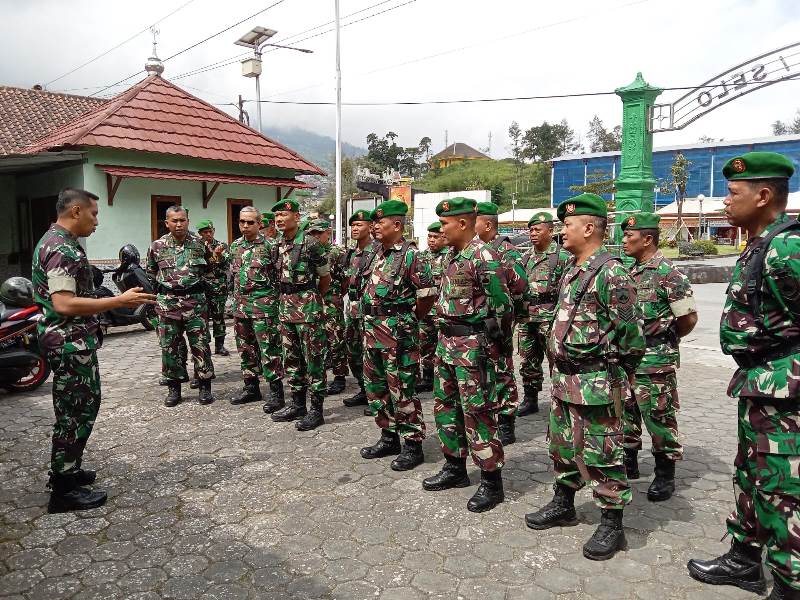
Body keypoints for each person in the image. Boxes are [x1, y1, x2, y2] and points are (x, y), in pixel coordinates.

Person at [687, 152, 800, 599]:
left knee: (783, 489)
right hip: (760, 385)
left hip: (787, 393)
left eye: (733, 193)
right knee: (753, 476)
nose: (725, 202)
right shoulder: (760, 243)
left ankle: (790, 585)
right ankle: (745, 559)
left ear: (764, 195)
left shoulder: (787, 247)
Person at [524, 193, 644, 561]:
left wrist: (612, 373)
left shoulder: (611, 272)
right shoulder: (575, 269)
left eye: (567, 225)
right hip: (565, 380)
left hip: (596, 382)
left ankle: (612, 524)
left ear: (589, 228)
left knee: (603, 452)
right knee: (562, 446)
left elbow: (632, 336)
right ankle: (564, 503)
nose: (562, 232)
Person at [31, 188, 155, 512]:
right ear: (75, 211)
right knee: (75, 411)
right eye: (94, 214)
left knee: (81, 406)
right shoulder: (60, 248)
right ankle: (63, 489)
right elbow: (64, 302)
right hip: (68, 342)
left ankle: (69, 469)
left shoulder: (61, 242)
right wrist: (119, 300)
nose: (97, 221)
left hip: (73, 341)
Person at [422, 197, 512, 512]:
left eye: (445, 223)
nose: (441, 228)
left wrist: (496, 345)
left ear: (462, 223)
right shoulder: (451, 256)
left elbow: (502, 306)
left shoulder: (483, 255)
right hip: (446, 346)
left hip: (473, 348)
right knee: (446, 409)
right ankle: (454, 468)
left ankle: (491, 482)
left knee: (479, 413)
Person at [621, 212, 697, 501]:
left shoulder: (669, 273)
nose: (625, 240)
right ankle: (629, 462)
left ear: (648, 238)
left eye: (630, 236)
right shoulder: (629, 271)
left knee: (658, 416)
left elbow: (688, 319)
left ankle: (665, 474)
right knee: (626, 413)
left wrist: (662, 338)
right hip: (628, 358)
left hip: (655, 360)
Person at [360, 199, 436, 471]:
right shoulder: (376, 253)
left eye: (380, 222)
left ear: (397, 224)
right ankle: (388, 436)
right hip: (371, 332)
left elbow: (426, 295)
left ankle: (413, 444)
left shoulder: (411, 255)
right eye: (375, 222)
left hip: (398, 335)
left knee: (402, 389)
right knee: (377, 389)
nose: (375, 226)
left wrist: (410, 318)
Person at [147, 206, 219, 407]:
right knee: (170, 348)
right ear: (167, 223)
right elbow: (151, 272)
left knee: (201, 345)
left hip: (195, 303)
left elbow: (210, 270)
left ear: (188, 221)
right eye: (174, 221)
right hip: (168, 304)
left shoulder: (199, 244)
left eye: (182, 220)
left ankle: (204, 386)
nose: (179, 224)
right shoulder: (157, 246)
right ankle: (174, 388)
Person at [270, 199, 331, 431]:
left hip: (307, 310)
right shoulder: (276, 244)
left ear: (296, 217)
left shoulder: (311, 244)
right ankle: (297, 405)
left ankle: (317, 410)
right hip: (285, 309)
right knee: (292, 359)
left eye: (284, 216)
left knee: (313, 359)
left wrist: (314, 300)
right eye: (276, 217)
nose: (279, 220)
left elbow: (324, 277)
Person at [475, 201, 529, 445]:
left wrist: (506, 322)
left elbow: (519, 287)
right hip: (479, 324)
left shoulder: (505, 251)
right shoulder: (474, 251)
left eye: (474, 220)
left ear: (487, 224)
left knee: (502, 370)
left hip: (498, 322)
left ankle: (507, 421)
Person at [228, 206, 284, 409]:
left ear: (260, 224)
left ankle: (277, 393)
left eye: (250, 222)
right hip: (241, 308)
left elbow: (280, 278)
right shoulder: (235, 246)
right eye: (242, 221)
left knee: (269, 351)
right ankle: (251, 388)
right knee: (245, 350)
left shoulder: (271, 246)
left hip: (264, 309)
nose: (245, 226)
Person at [517, 212, 570, 416]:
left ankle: (559, 399)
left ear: (550, 230)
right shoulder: (525, 257)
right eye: (530, 230)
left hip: (550, 318)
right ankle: (531, 399)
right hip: (528, 317)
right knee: (528, 360)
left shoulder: (562, 256)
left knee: (555, 360)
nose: (533, 233)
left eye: (537, 229)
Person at [307, 218, 350, 396]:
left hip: (332, 302)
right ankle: (319, 376)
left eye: (320, 233)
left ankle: (340, 376)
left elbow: (346, 279)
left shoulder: (337, 252)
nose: (317, 237)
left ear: (328, 233)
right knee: (317, 342)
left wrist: (337, 296)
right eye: (313, 234)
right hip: (312, 303)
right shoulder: (308, 250)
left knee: (336, 340)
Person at [342, 210, 378, 411]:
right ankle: (364, 389)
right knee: (353, 352)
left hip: (370, 312)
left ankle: (376, 396)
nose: (355, 228)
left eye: (359, 225)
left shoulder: (378, 252)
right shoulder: (351, 253)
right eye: (353, 225)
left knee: (371, 355)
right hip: (353, 309)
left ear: (370, 227)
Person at [417, 221, 449, 393]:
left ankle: (443, 379)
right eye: (429, 236)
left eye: (436, 236)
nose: (431, 240)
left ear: (444, 238)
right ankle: (427, 377)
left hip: (441, 311)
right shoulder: (422, 256)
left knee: (442, 345)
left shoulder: (450, 256)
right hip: (425, 310)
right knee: (425, 344)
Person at [196, 219, 230, 357]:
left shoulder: (221, 246)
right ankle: (205, 345)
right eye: (205, 232)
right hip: (202, 288)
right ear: (200, 233)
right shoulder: (196, 247)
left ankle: (220, 345)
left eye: (211, 231)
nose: (209, 234)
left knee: (218, 316)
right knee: (202, 318)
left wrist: (219, 255)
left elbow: (226, 262)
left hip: (218, 288)